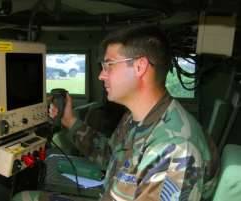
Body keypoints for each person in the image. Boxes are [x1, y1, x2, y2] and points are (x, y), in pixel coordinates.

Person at [12, 26, 218, 201]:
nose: (101, 75)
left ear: (139, 66)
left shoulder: (174, 149)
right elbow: (110, 156)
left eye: (108, 65)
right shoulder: (135, 117)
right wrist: (70, 120)